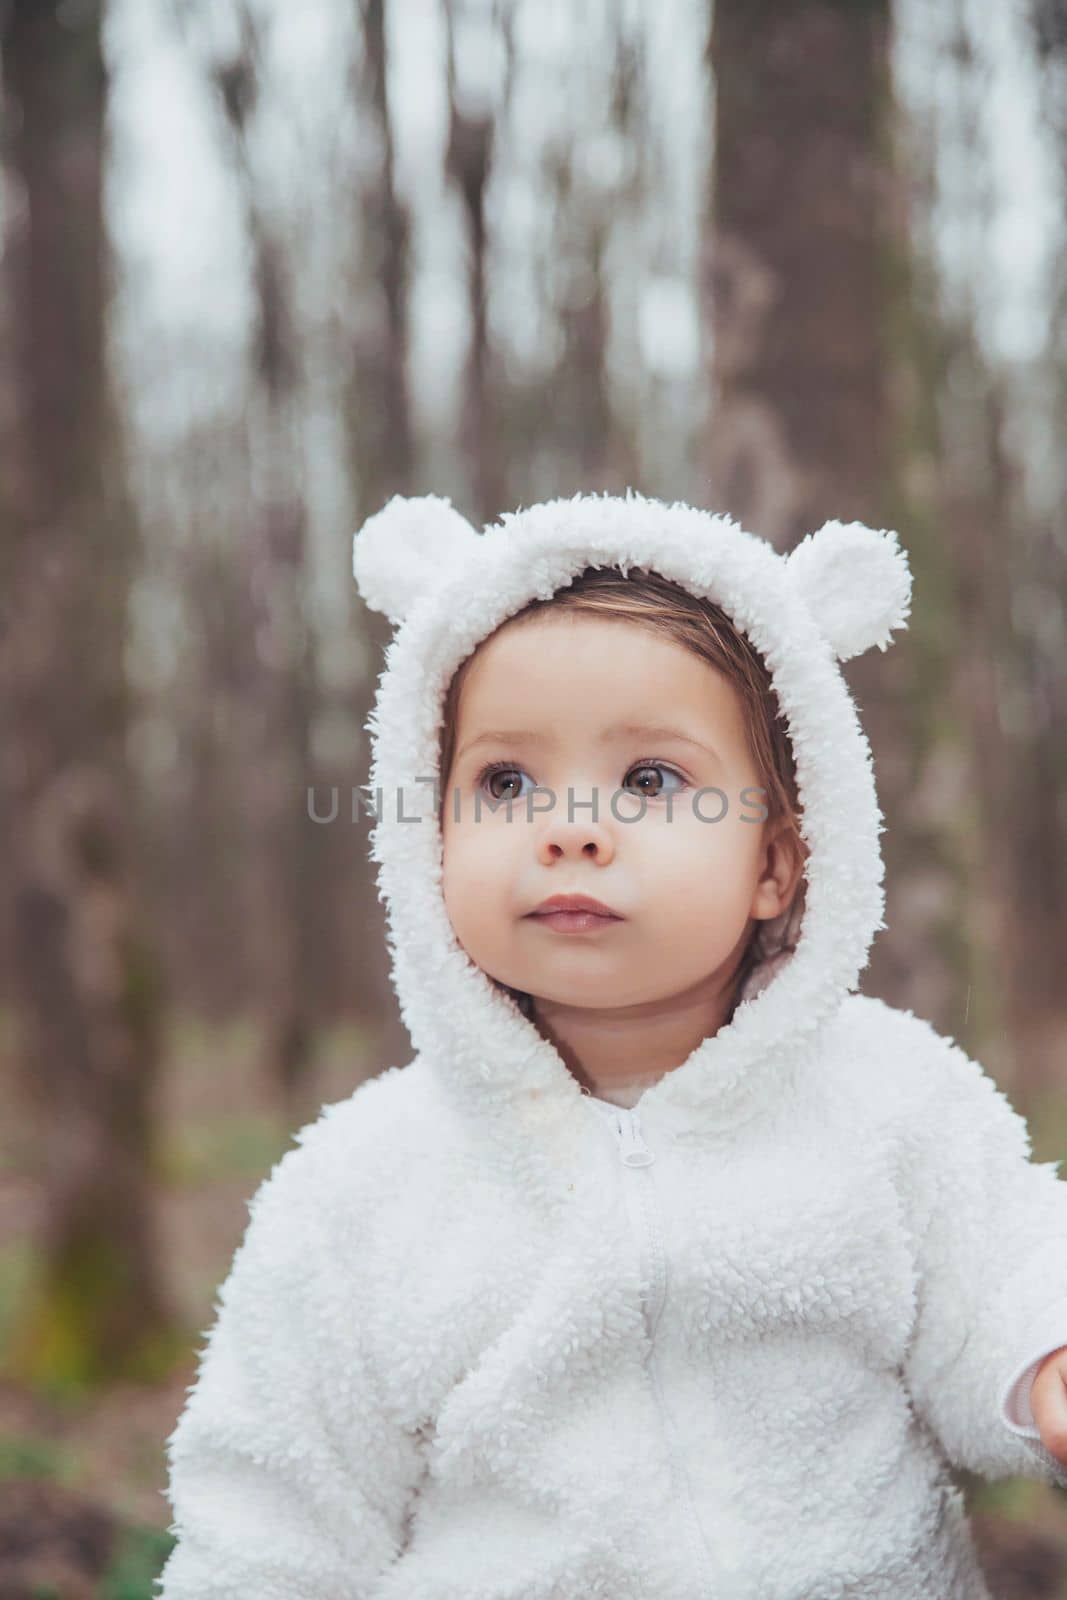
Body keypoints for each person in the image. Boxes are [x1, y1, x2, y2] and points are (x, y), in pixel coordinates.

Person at [155, 491, 1067, 1600]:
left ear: (778, 861)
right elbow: (271, 1514)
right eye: (504, 782)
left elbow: (1006, 1276)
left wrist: (1044, 1358)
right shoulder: (362, 1183)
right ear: (426, 837)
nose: (569, 824)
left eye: (649, 779)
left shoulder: (886, 1101)